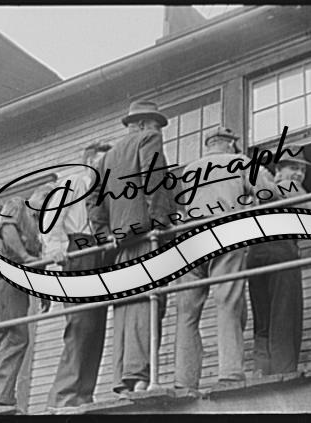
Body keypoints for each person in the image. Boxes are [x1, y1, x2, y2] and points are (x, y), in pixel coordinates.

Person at [173, 126, 274, 391]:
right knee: (228, 303)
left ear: (208, 145)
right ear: (230, 144)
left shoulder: (190, 169)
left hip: (190, 239)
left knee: (187, 312)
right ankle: (230, 373)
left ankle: (184, 380)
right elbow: (269, 192)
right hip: (225, 233)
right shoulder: (240, 162)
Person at [89, 100, 176, 396]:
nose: (159, 132)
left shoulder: (105, 159)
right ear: (140, 125)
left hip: (120, 245)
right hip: (146, 238)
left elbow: (93, 202)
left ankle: (123, 379)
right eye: (156, 125)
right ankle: (140, 378)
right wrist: (158, 222)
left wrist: (105, 235)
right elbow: (153, 179)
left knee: (125, 309)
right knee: (148, 305)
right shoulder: (148, 139)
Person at [30, 141, 113, 413]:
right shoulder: (74, 183)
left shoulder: (106, 190)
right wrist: (56, 249)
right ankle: (64, 394)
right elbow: (52, 217)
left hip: (99, 252)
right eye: (100, 161)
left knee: (96, 324)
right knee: (80, 323)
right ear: (89, 161)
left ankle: (84, 393)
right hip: (78, 250)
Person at [247, 147, 311, 377]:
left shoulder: (262, 189)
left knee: (263, 315)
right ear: (279, 170)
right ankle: (283, 371)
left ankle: (262, 370)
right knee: (284, 312)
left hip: (255, 254)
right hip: (280, 250)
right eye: (294, 168)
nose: (299, 174)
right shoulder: (288, 186)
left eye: (302, 170)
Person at [0, 194, 44, 415]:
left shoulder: (35, 225)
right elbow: (6, 228)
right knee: (12, 337)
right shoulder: (18, 205)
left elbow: (36, 261)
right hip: (4, 281)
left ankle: (1, 397)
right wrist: (24, 256)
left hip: (15, 285)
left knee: (16, 338)